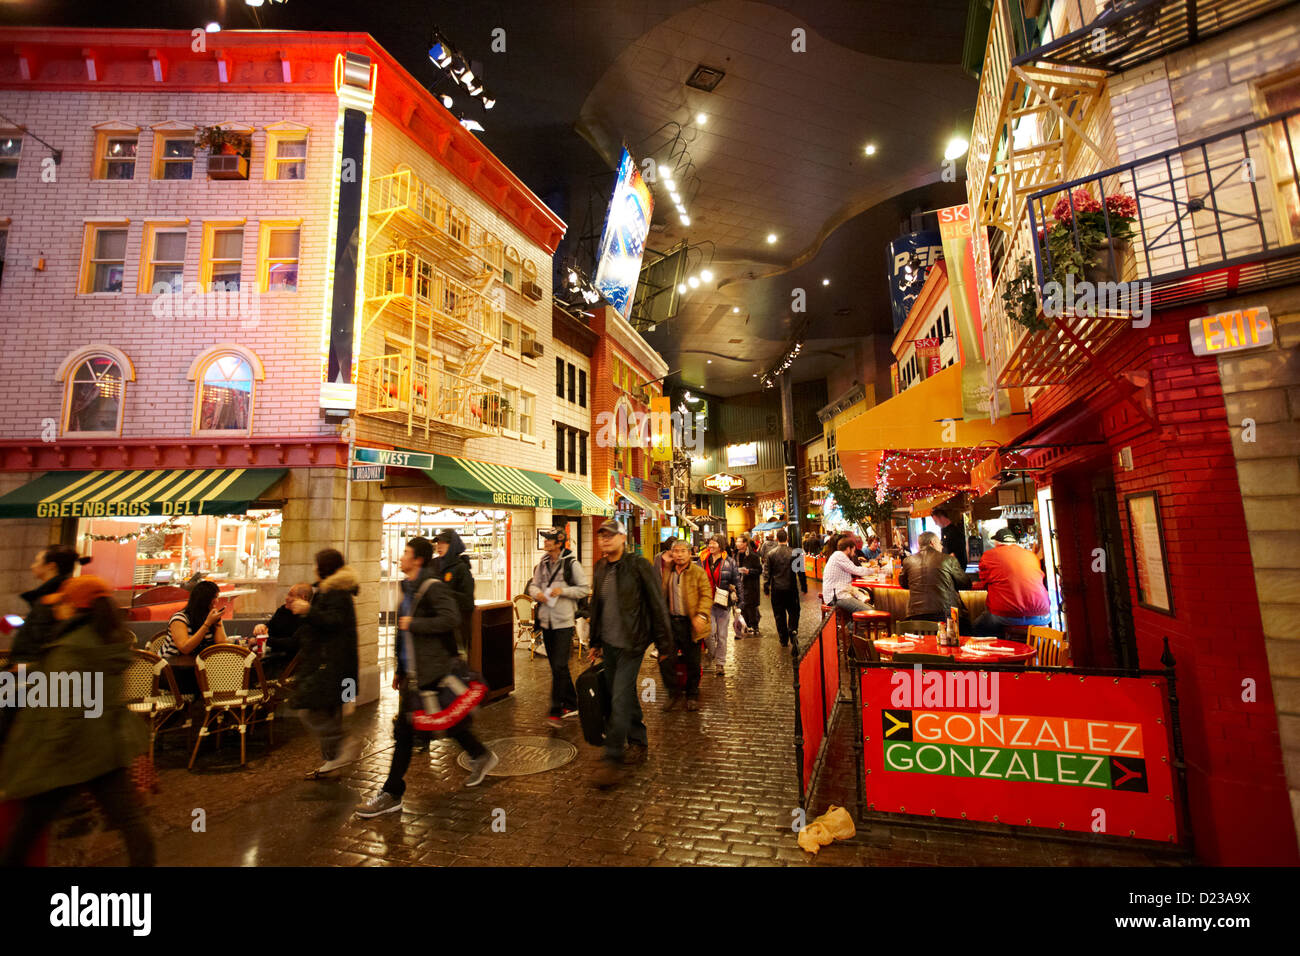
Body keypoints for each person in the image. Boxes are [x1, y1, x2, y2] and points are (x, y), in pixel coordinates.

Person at [0, 576, 156, 866]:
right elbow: (91, 691)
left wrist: (48, 751)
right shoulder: (106, 640)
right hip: (106, 748)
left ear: (73, 606)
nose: (57, 609)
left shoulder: (71, 647)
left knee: (28, 828)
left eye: (62, 603)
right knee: (131, 820)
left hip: (69, 756)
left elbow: (63, 707)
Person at [357, 538, 498, 817]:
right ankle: (480, 754)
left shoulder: (431, 587)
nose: (401, 557)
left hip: (432, 671)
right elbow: (402, 635)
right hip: (415, 673)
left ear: (418, 559)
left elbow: (451, 618)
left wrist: (416, 624)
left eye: (406, 553)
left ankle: (392, 792)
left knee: (407, 733)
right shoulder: (407, 589)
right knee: (438, 725)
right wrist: (399, 667)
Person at [587, 519, 673, 789]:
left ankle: (612, 758)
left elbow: (656, 604)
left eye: (610, 536)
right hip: (610, 645)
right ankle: (638, 740)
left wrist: (665, 644)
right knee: (622, 695)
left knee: (619, 698)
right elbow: (597, 608)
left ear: (623, 538)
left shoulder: (638, 566)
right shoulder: (601, 568)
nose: (605, 540)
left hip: (633, 643)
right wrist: (595, 640)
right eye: (602, 536)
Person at [289, 549, 361, 778]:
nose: (313, 568)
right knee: (330, 711)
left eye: (316, 564)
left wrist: (309, 611)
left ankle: (341, 745)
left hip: (329, 665)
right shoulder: (331, 590)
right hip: (333, 665)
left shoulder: (336, 593)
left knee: (309, 711)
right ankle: (331, 763)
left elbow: (333, 622)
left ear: (324, 568)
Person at [526, 527, 591, 728]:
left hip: (563, 622)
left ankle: (555, 710)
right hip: (546, 621)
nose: (545, 542)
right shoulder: (542, 564)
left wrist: (562, 591)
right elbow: (532, 585)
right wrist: (537, 593)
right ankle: (572, 703)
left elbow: (584, 589)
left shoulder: (572, 564)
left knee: (560, 665)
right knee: (556, 667)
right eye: (545, 539)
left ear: (559, 543)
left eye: (549, 540)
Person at [11, 546, 91, 666]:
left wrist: (24, 668)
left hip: (32, 672)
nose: (32, 566)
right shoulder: (51, 594)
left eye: (37, 561)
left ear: (51, 566)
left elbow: (43, 639)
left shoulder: (52, 598)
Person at [658, 537, 712, 711]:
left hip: (691, 624)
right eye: (676, 551)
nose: (679, 555)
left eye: (683, 551)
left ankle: (692, 694)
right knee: (666, 659)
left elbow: (706, 595)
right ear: (671, 553)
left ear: (690, 554)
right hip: (671, 624)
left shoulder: (698, 572)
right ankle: (673, 692)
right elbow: (661, 594)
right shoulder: (668, 571)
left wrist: (701, 616)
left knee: (693, 662)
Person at [973, 527, 1051, 636]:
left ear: (996, 542)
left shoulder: (989, 556)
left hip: (1006, 615)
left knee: (978, 625)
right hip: (1043, 616)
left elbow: (985, 581)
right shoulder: (1031, 555)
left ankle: (1002, 651)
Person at [161, 580, 227, 695]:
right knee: (213, 685)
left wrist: (218, 622)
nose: (216, 601)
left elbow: (221, 644)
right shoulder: (179, 618)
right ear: (204, 600)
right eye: (214, 598)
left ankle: (219, 709)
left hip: (198, 669)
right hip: (172, 671)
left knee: (227, 678)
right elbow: (185, 648)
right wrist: (207, 624)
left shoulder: (209, 617)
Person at [899, 531, 970, 627]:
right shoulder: (948, 559)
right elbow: (965, 584)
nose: (942, 547)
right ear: (932, 542)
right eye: (940, 543)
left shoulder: (908, 561)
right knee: (967, 628)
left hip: (915, 618)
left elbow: (903, 583)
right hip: (946, 616)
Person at [253, 583, 311, 678]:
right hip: (273, 659)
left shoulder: (308, 618)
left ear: (303, 598)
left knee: (251, 674)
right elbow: (269, 628)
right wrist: (261, 627)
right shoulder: (283, 611)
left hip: (291, 667)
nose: (286, 598)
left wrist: (266, 640)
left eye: (291, 595)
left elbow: (292, 644)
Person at [701, 534, 739, 676]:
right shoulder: (703, 560)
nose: (710, 546)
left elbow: (737, 581)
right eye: (709, 543)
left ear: (721, 545)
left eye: (714, 544)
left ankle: (720, 664)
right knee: (709, 634)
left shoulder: (729, 562)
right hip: (707, 602)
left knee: (722, 635)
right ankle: (712, 654)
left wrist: (739, 601)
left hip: (723, 604)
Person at [432, 529, 475, 650]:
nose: (439, 546)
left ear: (453, 545)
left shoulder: (461, 568)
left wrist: (444, 593)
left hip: (456, 630)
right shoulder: (433, 564)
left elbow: (468, 601)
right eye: (438, 543)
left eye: (443, 543)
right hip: (436, 627)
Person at [763, 529, 801, 647]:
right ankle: (792, 630)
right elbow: (800, 572)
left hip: (777, 589)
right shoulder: (795, 553)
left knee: (779, 614)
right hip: (791, 588)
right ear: (787, 539)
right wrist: (804, 587)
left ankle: (783, 638)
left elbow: (767, 572)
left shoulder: (771, 554)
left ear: (776, 539)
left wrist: (766, 587)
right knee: (794, 611)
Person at [821, 536, 877, 613]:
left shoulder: (838, 556)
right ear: (848, 548)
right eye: (853, 550)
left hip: (838, 594)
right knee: (869, 611)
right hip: (837, 597)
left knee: (868, 605)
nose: (854, 554)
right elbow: (856, 570)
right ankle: (851, 625)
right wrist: (874, 570)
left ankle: (852, 624)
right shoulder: (839, 556)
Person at [734, 535, 762, 635]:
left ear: (745, 544)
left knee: (751, 607)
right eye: (737, 541)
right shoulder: (736, 555)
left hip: (751, 585)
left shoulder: (753, 556)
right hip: (739, 585)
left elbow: (759, 570)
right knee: (742, 607)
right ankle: (745, 626)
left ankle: (755, 626)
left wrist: (749, 571)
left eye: (740, 542)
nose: (737, 544)